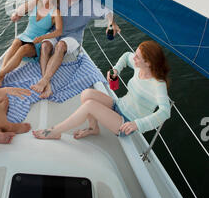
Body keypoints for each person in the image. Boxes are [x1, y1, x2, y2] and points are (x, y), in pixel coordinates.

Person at [32, 41, 171, 140]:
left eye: (137, 57)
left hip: (126, 123)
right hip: (118, 105)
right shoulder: (139, 66)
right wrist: (116, 69)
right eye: (136, 54)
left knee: (89, 106)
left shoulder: (158, 85)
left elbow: (165, 112)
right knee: (87, 94)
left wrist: (137, 124)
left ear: (148, 63)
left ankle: (55, 131)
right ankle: (93, 128)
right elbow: (126, 55)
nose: (134, 57)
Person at [31, 0, 120, 99]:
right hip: (56, 31)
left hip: (73, 36)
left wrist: (111, 23)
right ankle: (48, 85)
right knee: (45, 46)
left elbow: (107, 11)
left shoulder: (88, 4)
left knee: (60, 46)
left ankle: (44, 80)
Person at [0, 0, 62, 87]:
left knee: (23, 49)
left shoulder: (55, 12)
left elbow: (58, 31)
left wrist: (43, 38)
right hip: (25, 35)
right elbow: (21, 10)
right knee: (16, 42)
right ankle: (1, 77)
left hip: (36, 42)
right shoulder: (36, 3)